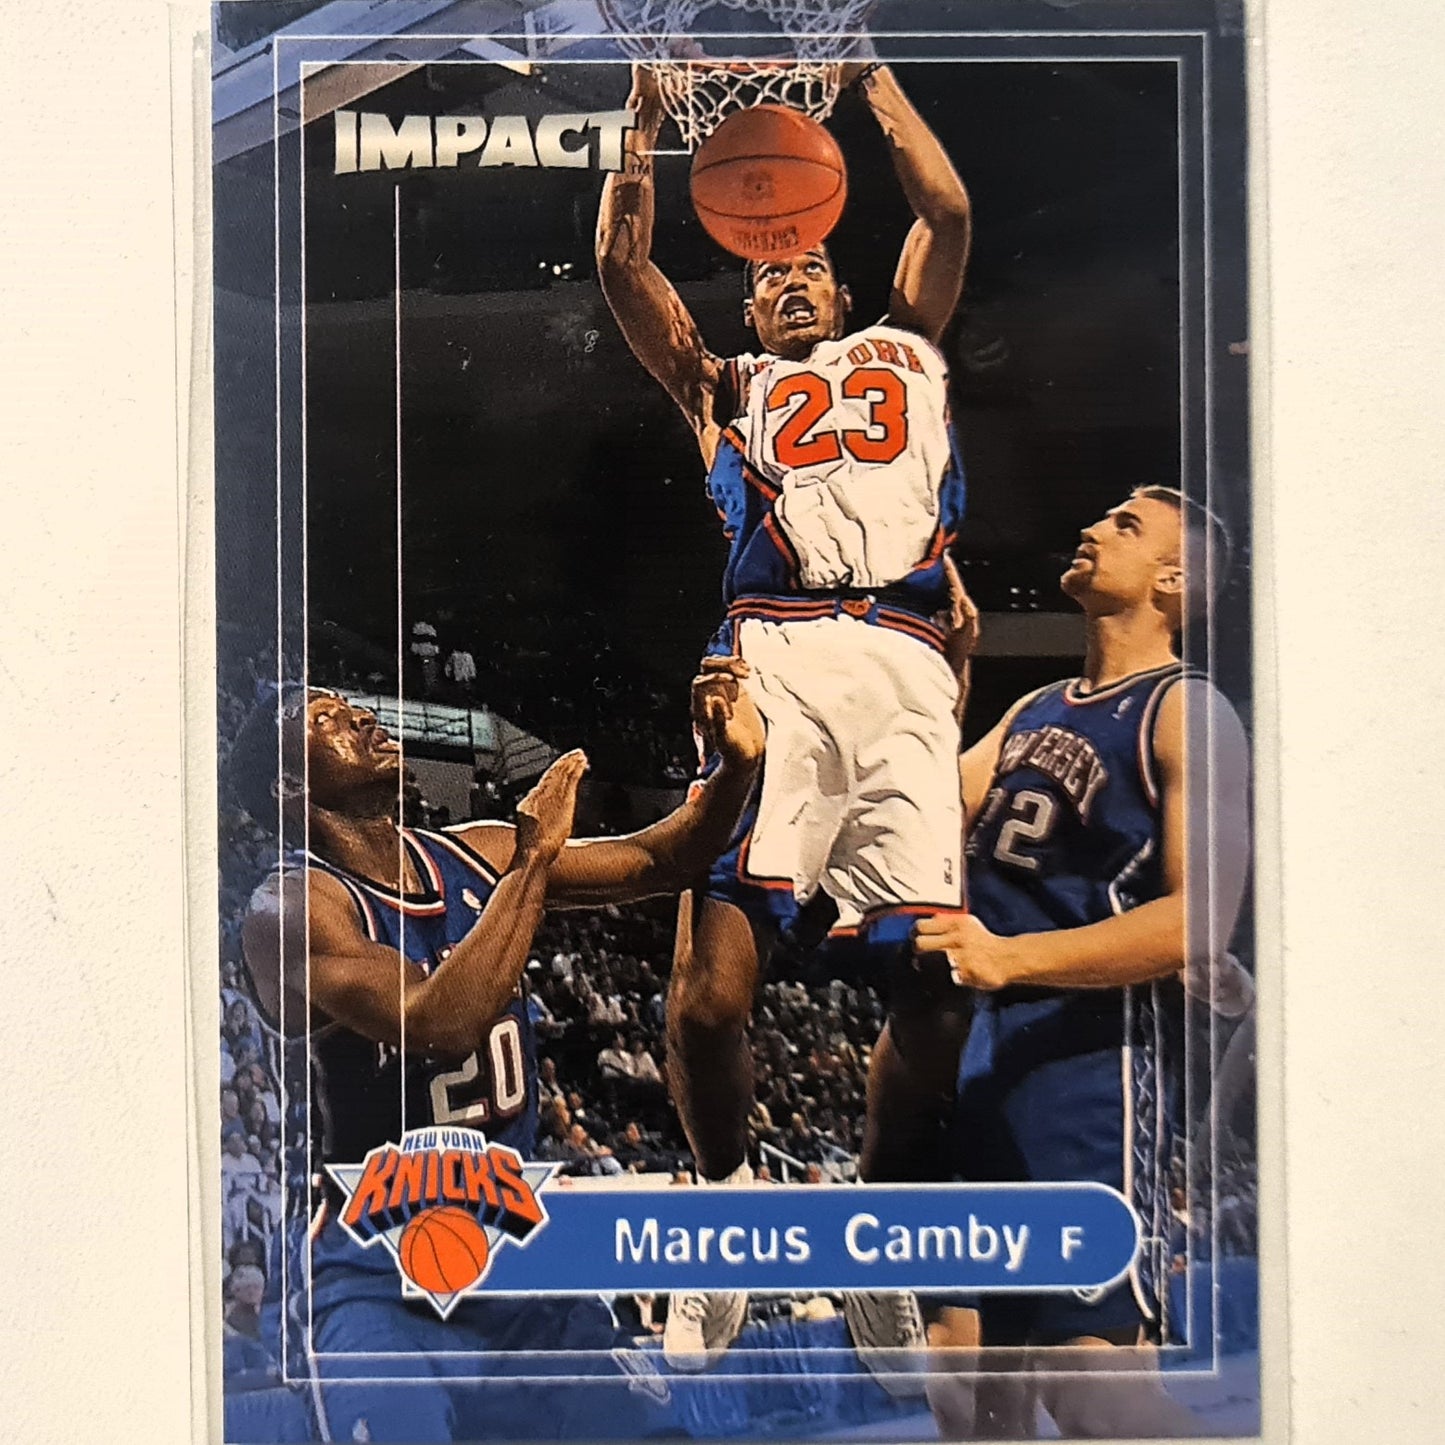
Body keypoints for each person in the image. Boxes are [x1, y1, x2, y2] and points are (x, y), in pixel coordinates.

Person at [597, 58, 972, 1370]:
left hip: (906, 662)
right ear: (750, 303)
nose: (793, 278)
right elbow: (622, 268)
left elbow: (946, 212)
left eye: (811, 264)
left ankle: (870, 1229)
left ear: (846, 290)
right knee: (706, 999)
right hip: (773, 656)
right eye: (771, 274)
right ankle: (728, 1214)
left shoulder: (907, 347)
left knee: (935, 988)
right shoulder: (725, 388)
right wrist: (641, 123)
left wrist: (867, 79)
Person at [236, 664, 764, 1443]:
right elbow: (437, 1020)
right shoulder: (288, 908)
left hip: (517, 1261)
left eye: (350, 706)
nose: (359, 717)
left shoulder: (476, 852)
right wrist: (534, 862)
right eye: (326, 719)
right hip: (376, 1279)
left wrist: (735, 767)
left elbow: (663, 859)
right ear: (288, 786)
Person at [915, 488, 1251, 1438]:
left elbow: (1198, 921)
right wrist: (938, 675)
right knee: (966, 1388)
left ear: (1172, 580)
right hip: (982, 1055)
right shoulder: (1033, 708)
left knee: (1090, 1389)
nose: (1094, 527)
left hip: (1092, 1069)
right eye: (1101, 516)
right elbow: (924, 808)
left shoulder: (1187, 710)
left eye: (1125, 525)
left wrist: (1009, 957)